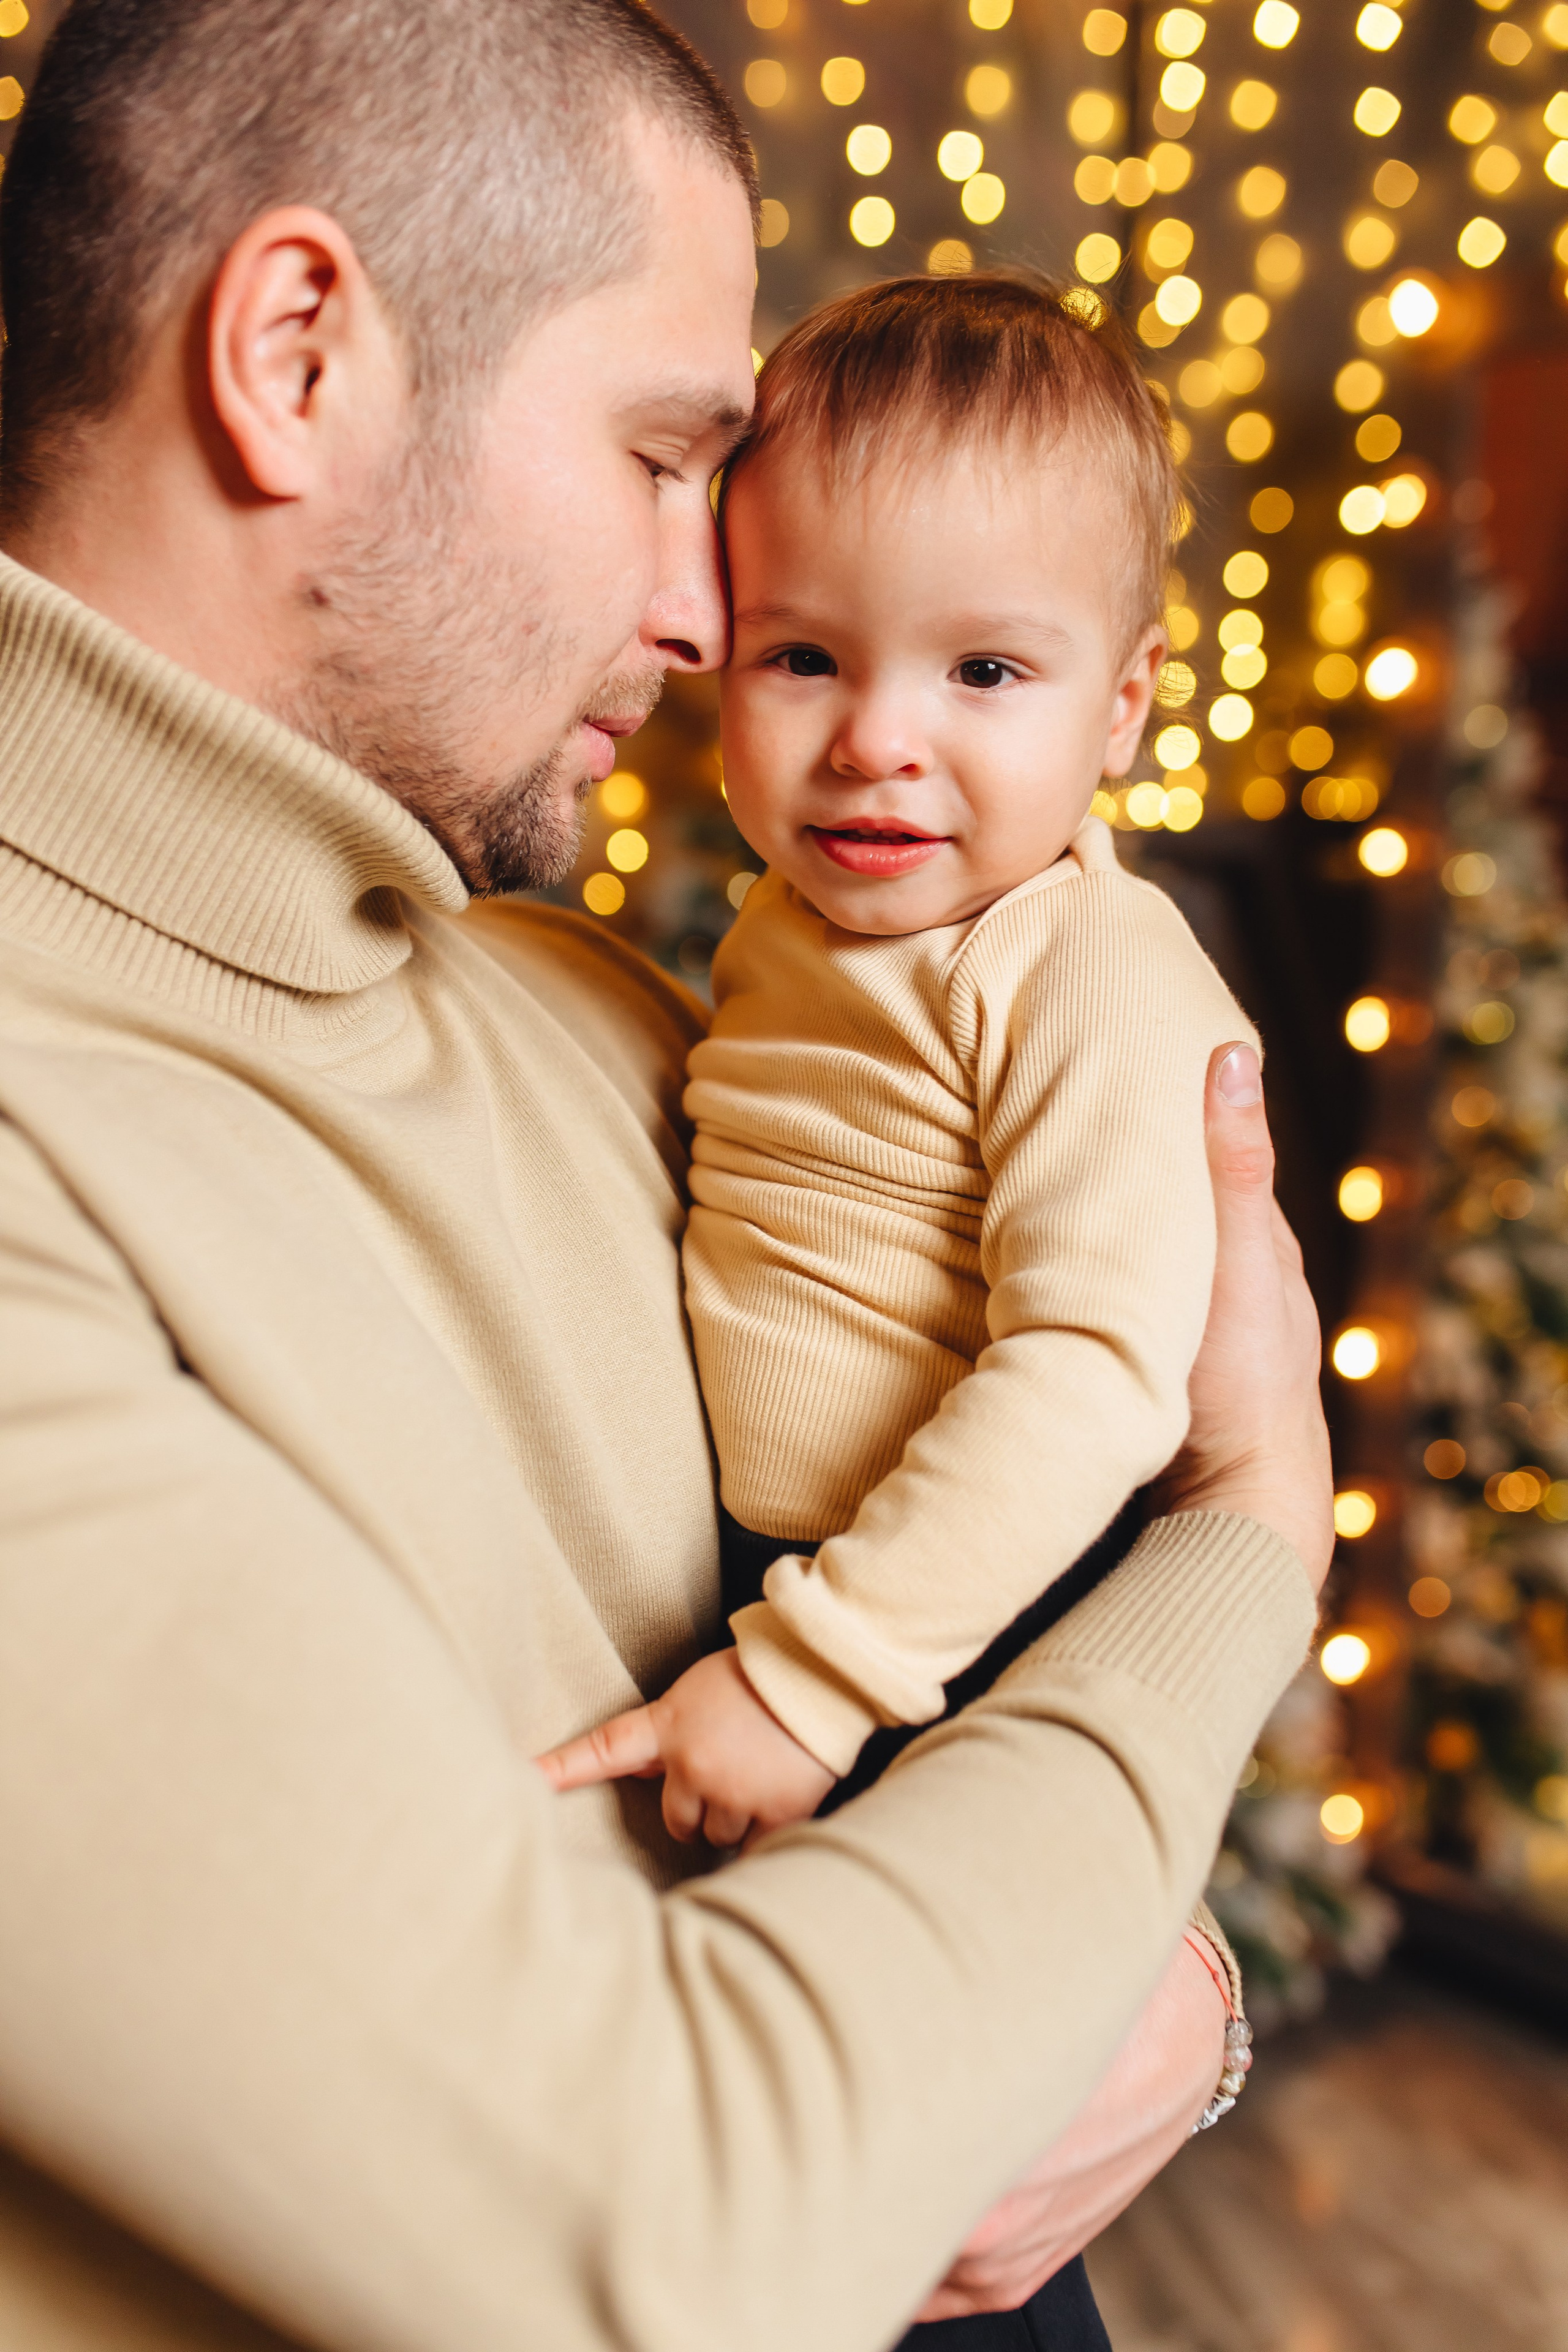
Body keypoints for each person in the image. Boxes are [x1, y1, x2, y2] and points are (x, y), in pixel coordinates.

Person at [0, 6, 1331, 2351]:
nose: (718, 623)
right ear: (298, 356)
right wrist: (1247, 1535)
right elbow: (673, 2226)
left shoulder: (602, 1001)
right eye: (659, 453)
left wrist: (1157, 1987)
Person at [542, 274, 1261, 1866]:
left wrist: (819, 1680)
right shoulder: (790, 930)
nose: (878, 739)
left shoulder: (1085, 965)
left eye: (985, 675)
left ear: (1125, 704)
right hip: (785, 1577)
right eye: (803, 657)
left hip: (964, 1618)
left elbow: (1093, 1372)